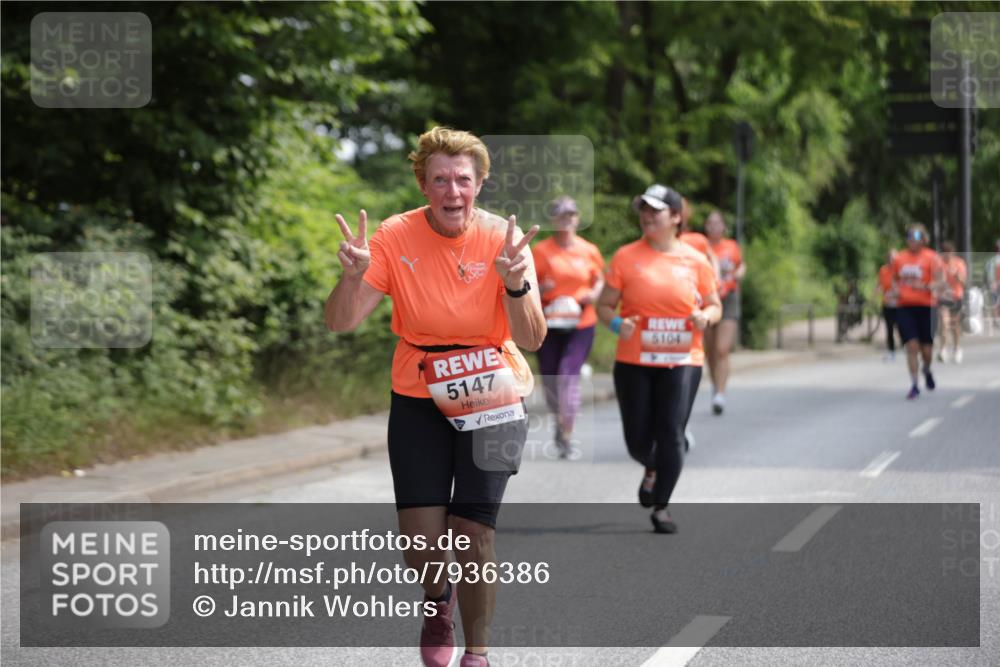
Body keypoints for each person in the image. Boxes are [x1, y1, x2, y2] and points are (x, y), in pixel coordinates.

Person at [325, 127, 545, 667]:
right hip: (418, 390)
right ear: (423, 185)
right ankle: (437, 600)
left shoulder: (505, 240)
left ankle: (477, 655)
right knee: (421, 543)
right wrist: (352, 278)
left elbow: (532, 337)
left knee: (472, 530)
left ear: (480, 184)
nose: (453, 191)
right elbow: (341, 322)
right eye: (440, 180)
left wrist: (515, 284)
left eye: (463, 180)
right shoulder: (395, 235)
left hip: (490, 386)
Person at [597, 184, 721, 533]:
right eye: (644, 209)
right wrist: (618, 324)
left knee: (671, 432)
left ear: (676, 217)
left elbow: (715, 305)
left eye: (656, 210)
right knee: (637, 441)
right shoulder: (626, 256)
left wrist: (705, 317)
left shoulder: (696, 260)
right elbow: (604, 306)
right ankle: (651, 465)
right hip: (634, 361)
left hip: (682, 360)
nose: (647, 216)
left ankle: (662, 506)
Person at [532, 196, 605, 458]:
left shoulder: (588, 250)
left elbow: (599, 279)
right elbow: (527, 286)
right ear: (552, 220)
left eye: (570, 215)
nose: (566, 220)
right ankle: (558, 420)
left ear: (577, 218)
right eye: (561, 215)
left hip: (581, 323)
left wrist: (594, 294)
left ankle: (567, 434)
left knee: (567, 375)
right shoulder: (541, 251)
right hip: (550, 323)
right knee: (551, 379)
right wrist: (542, 290)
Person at [891, 224, 943, 400]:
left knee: (927, 350)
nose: (912, 241)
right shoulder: (900, 258)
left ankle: (926, 369)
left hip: (927, 307)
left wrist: (928, 286)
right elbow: (894, 280)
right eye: (909, 237)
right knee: (911, 346)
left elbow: (940, 281)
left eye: (916, 238)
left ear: (923, 239)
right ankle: (914, 384)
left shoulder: (932, 257)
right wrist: (895, 290)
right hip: (905, 307)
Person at [703, 211, 744, 415]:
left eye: (717, 223)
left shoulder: (731, 246)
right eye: (710, 223)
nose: (714, 226)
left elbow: (741, 266)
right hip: (707, 299)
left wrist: (737, 275)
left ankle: (720, 393)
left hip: (728, 299)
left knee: (722, 349)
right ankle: (715, 383)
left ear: (723, 227)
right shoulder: (701, 246)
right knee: (710, 350)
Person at [936, 241, 967, 363]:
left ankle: (957, 348)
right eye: (944, 253)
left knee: (955, 325)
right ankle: (943, 349)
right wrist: (940, 280)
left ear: (952, 253)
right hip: (943, 297)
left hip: (956, 297)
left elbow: (964, 281)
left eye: (948, 253)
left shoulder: (959, 263)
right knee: (944, 323)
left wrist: (958, 277)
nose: (946, 255)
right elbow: (936, 281)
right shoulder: (939, 264)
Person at [874, 250, 900, 361]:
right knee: (889, 328)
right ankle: (891, 351)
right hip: (887, 303)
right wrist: (875, 294)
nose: (891, 260)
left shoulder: (901, 270)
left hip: (900, 304)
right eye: (890, 258)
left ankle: (908, 347)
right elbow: (879, 284)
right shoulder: (883, 270)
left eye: (894, 258)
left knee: (901, 327)